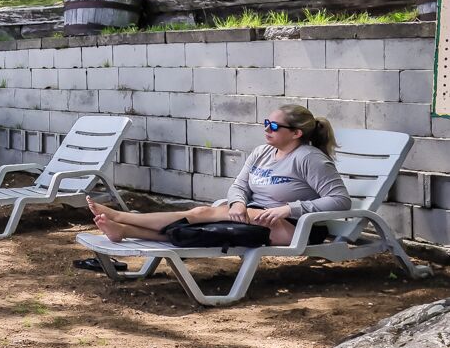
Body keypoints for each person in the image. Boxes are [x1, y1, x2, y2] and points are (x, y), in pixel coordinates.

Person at [87, 103, 348, 246]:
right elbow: (239, 185)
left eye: (273, 126)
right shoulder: (263, 152)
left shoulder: (309, 158)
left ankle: (122, 216)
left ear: (296, 133)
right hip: (255, 216)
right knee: (202, 231)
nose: (266, 129)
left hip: (295, 228)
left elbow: (340, 200)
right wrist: (238, 203)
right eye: (266, 123)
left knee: (203, 214)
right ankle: (124, 230)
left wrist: (287, 209)